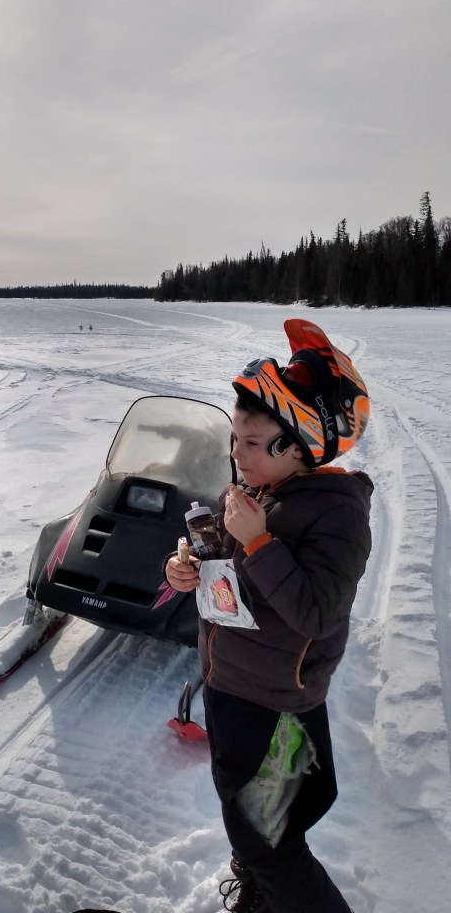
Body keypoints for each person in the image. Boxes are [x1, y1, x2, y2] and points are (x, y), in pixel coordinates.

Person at [164, 319, 372, 913]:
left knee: (271, 844)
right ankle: (259, 896)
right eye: (235, 440)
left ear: (297, 445)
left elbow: (318, 613)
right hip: (230, 684)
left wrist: (258, 542)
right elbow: (225, 567)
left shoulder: (337, 513)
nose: (236, 455)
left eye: (253, 444)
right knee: (248, 819)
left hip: (276, 705)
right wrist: (184, 567)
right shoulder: (260, 493)